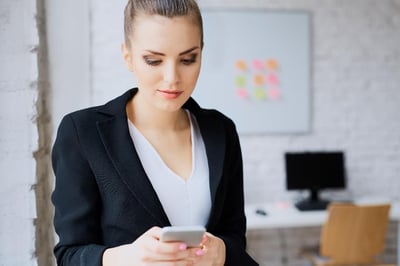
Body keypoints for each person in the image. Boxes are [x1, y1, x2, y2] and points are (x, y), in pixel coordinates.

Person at [51, 0, 259, 265]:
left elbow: (234, 239)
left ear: (201, 53)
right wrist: (126, 257)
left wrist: (222, 252)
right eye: (153, 60)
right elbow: (69, 255)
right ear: (127, 56)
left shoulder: (221, 131)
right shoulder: (83, 133)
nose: (172, 77)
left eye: (187, 59)